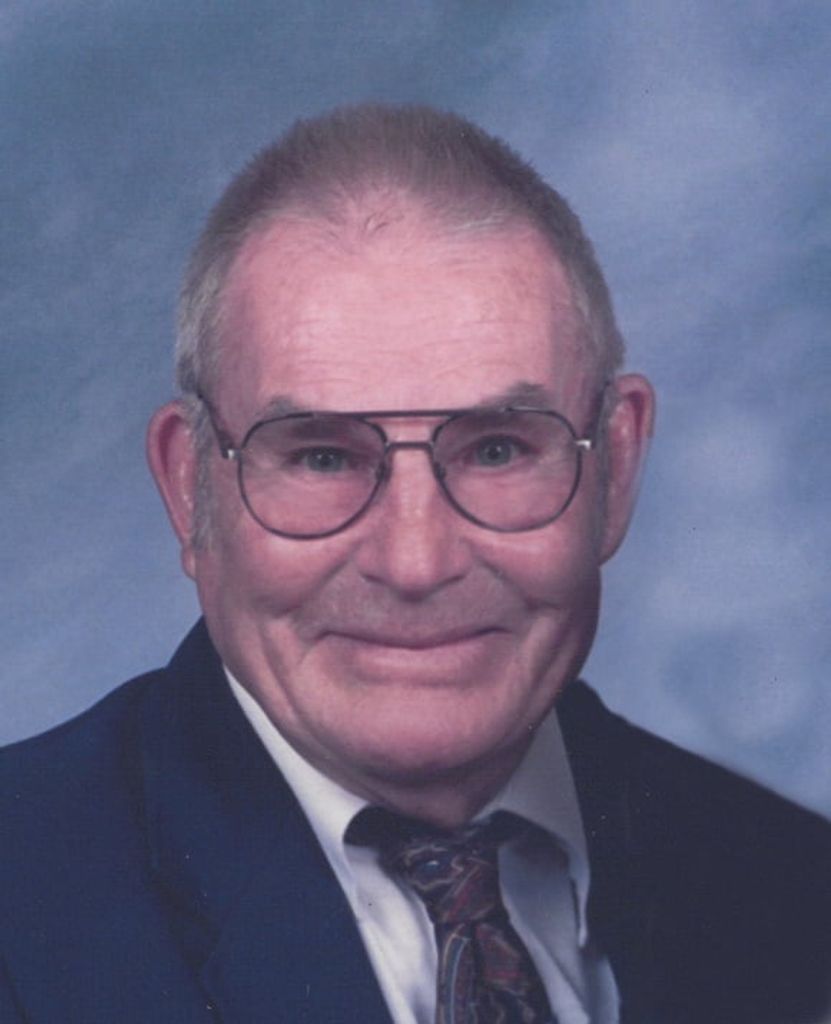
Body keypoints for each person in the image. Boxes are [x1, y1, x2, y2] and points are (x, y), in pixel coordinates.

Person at [1, 105, 828, 1024]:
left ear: (616, 467)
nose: (415, 561)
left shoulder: (795, 890)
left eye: (497, 450)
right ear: (188, 485)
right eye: (322, 456)